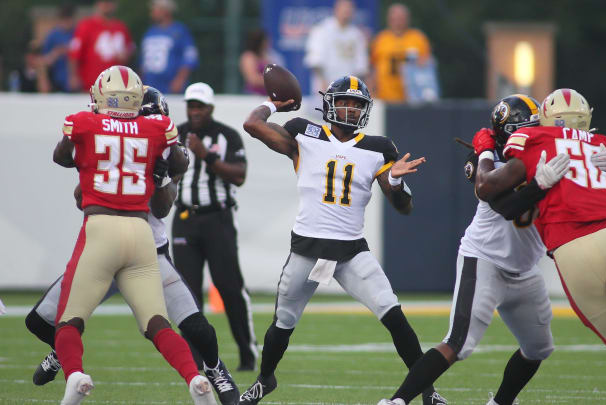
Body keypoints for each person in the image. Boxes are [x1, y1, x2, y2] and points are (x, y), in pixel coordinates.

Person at [472, 88, 606, 405]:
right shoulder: (601, 144)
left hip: (570, 248)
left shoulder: (533, 141)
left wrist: (485, 154)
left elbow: (489, 188)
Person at [238, 75, 446, 405]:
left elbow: (403, 206)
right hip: (307, 249)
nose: (350, 109)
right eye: (345, 101)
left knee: (394, 315)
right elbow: (252, 124)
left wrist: (394, 180)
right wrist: (272, 104)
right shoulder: (303, 133)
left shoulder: (378, 147)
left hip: (350, 252)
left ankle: (428, 391)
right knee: (283, 323)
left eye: (357, 104)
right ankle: (265, 379)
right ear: (329, 103)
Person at [27, 86, 240, 405]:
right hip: (104, 249)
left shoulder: (167, 150)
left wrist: (155, 175)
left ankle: (213, 368)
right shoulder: (119, 142)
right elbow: (78, 196)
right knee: (40, 320)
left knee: (196, 328)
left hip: (147, 253)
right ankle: (63, 353)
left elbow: (163, 207)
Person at [377, 95, 558, 405]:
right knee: (458, 343)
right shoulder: (488, 161)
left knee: (538, 348)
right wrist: (488, 151)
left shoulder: (546, 158)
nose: (534, 134)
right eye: (525, 129)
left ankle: (500, 402)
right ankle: (395, 402)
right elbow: (493, 194)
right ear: (508, 134)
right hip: (485, 259)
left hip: (525, 269)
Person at [172, 82, 257, 372]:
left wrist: (205, 155)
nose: (194, 111)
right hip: (184, 220)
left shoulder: (228, 135)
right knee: (187, 293)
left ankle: (247, 352)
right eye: (191, 106)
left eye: (200, 106)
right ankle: (195, 360)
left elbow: (239, 175)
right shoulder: (175, 134)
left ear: (210, 108)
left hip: (217, 219)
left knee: (229, 287)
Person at [304, 0, 368, 97]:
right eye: (344, 9)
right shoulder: (322, 30)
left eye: (349, 10)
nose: (347, 12)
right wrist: (323, 83)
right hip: (324, 90)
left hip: (349, 92)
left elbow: (361, 68)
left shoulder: (357, 35)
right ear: (336, 10)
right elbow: (315, 61)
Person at [370, 3, 432, 103]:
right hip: (385, 97)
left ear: (408, 19)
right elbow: (373, 69)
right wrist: (372, 93)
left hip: (413, 98)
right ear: (389, 19)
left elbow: (427, 68)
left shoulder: (418, 38)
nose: (398, 22)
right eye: (395, 18)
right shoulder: (381, 39)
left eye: (401, 18)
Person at [68, 0, 134, 91]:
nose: (106, 5)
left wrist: (126, 55)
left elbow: (130, 50)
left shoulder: (121, 27)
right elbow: (74, 54)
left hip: (117, 87)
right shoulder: (86, 26)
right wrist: (74, 76)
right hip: (91, 84)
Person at [139, 0, 198, 94]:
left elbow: (189, 57)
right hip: (149, 85)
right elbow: (143, 62)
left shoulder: (180, 31)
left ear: (165, 10)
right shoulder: (149, 32)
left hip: (169, 86)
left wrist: (180, 79)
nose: (152, 12)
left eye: (155, 9)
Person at [239, 28, 284, 95]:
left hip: (268, 95)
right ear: (260, 42)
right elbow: (253, 79)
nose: (268, 42)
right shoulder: (248, 57)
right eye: (266, 40)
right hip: (253, 95)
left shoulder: (269, 56)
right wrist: (273, 80)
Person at [42, 3, 75, 92]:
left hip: (74, 83)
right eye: (64, 19)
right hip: (57, 83)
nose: (67, 22)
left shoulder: (77, 33)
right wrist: (56, 53)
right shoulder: (52, 36)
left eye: (69, 18)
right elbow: (44, 61)